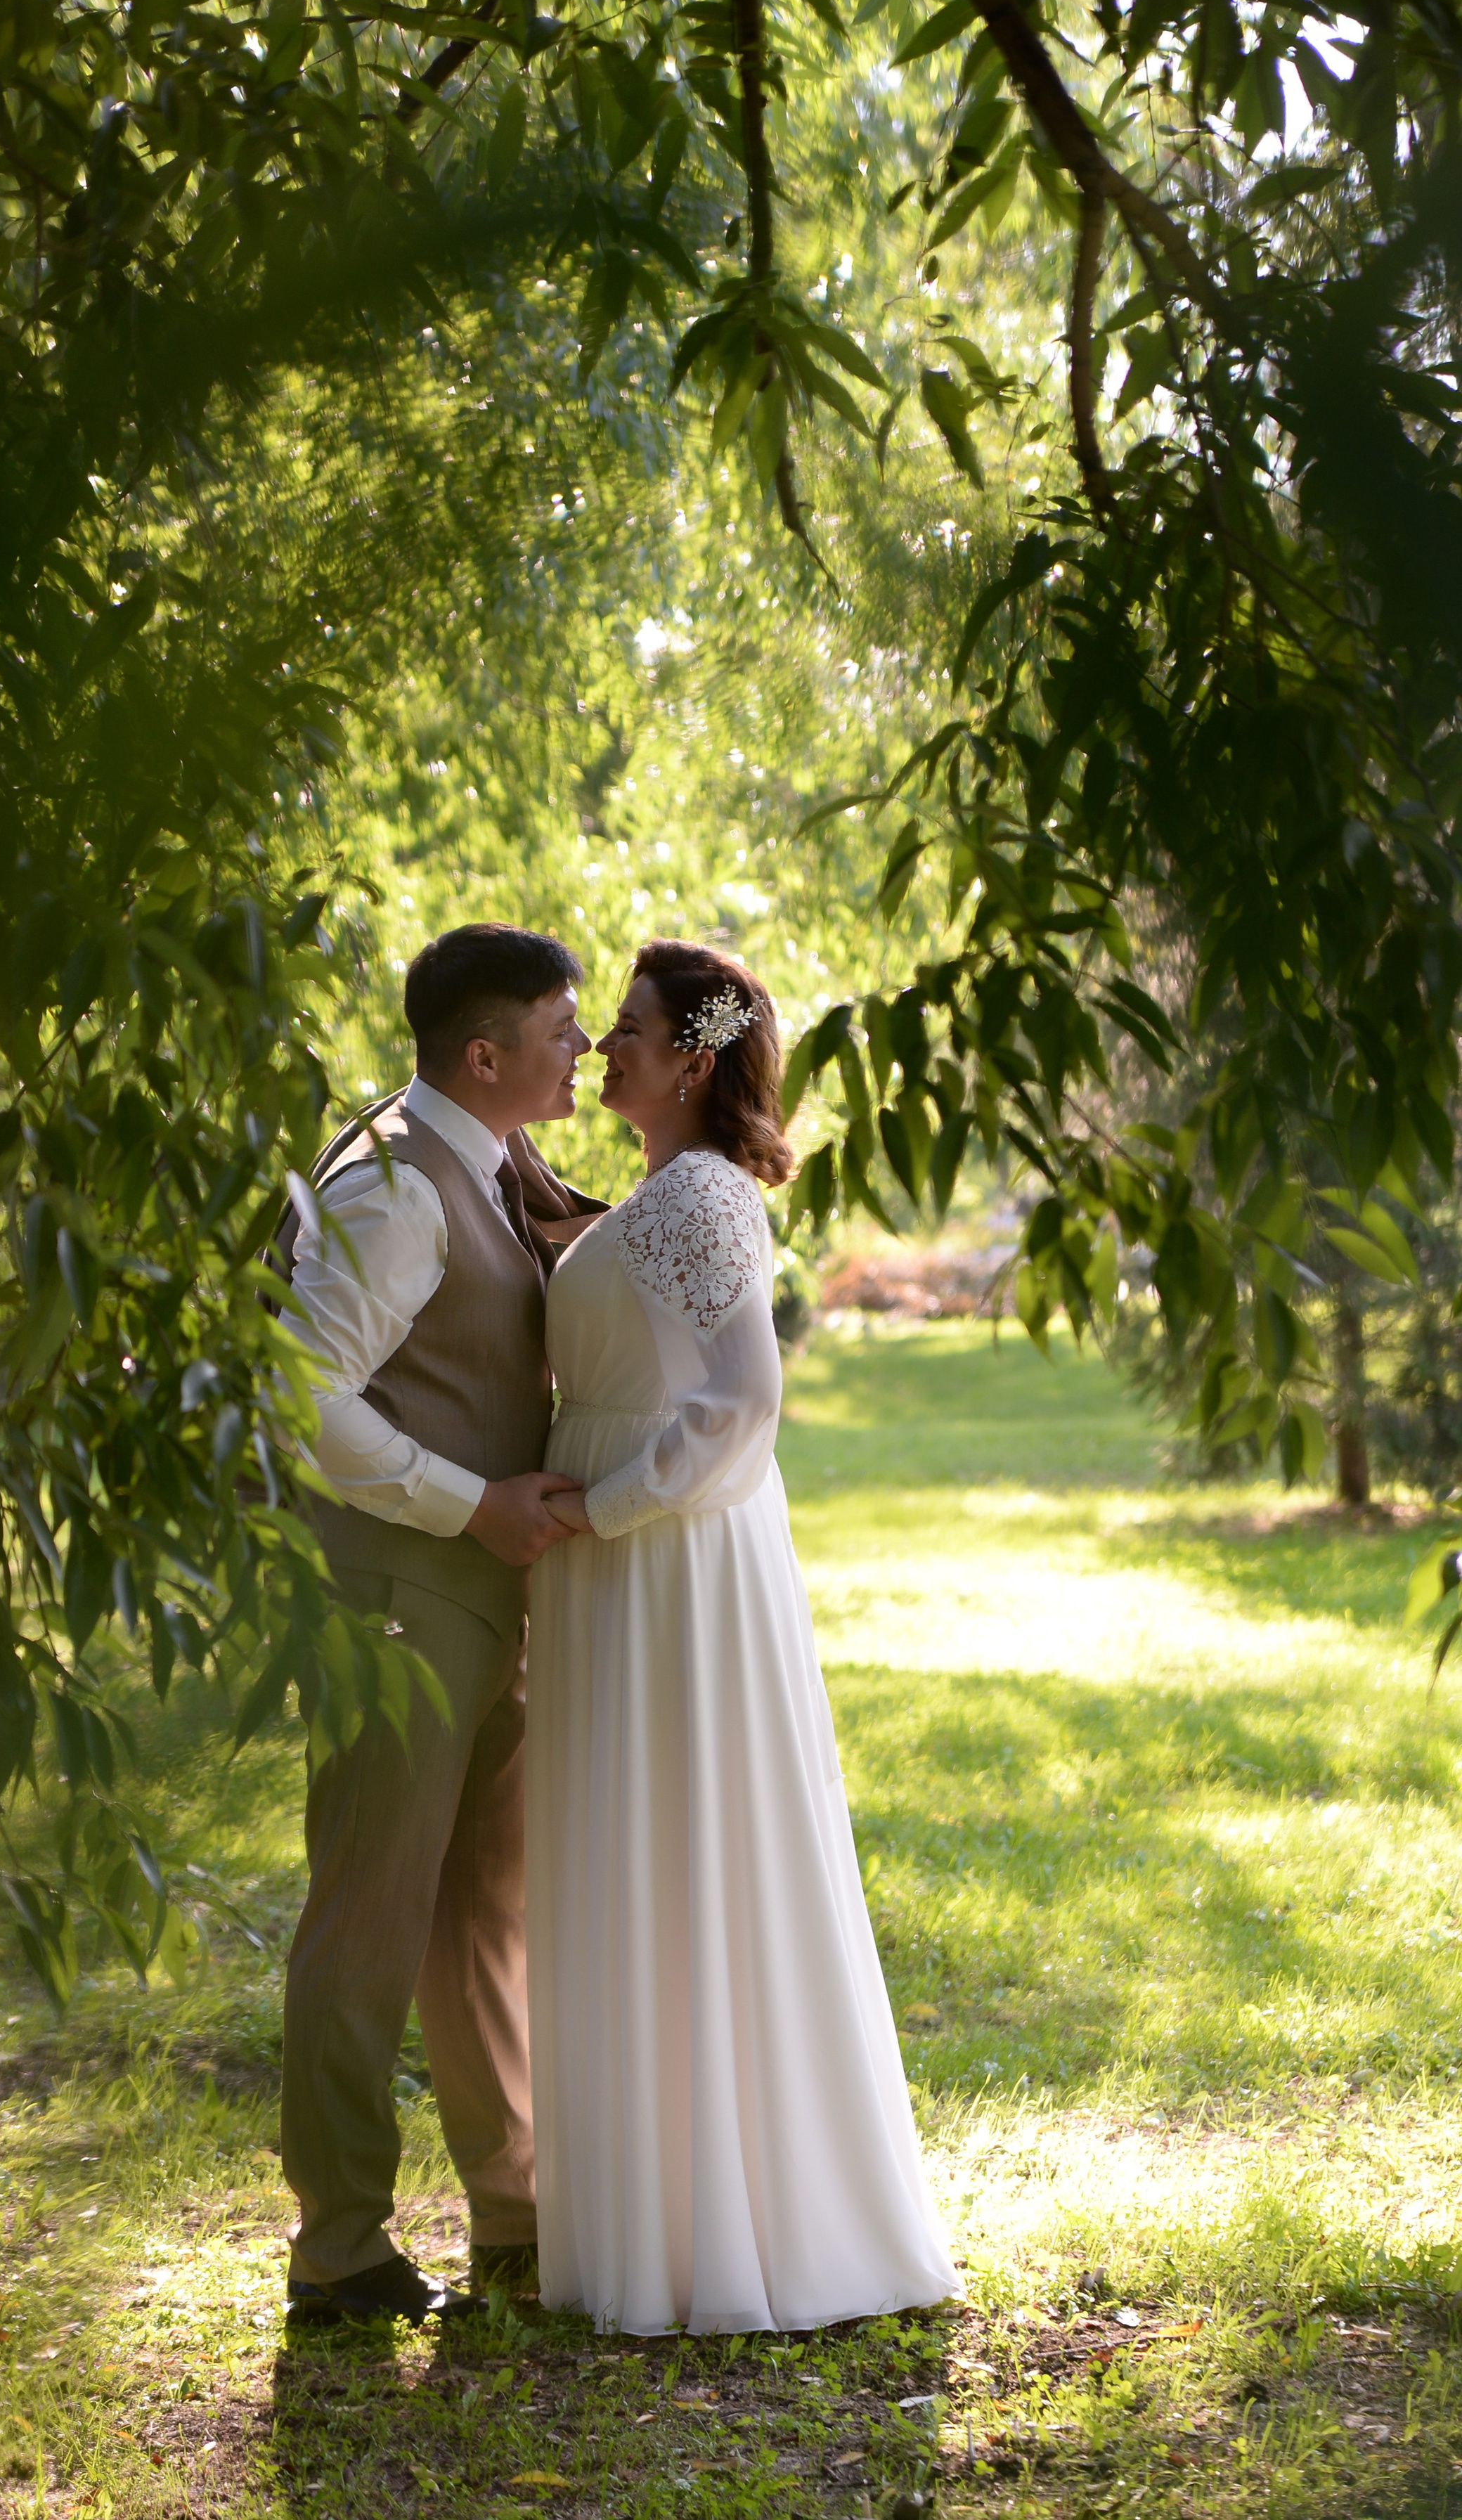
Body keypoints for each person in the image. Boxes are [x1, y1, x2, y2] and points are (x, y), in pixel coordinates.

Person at [527, 938, 962, 2334]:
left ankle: (728, 2223)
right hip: (615, 1560)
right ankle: (650, 2212)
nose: (601, 1044)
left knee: (689, 1849)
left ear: (692, 1058)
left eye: (629, 1029)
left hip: (665, 1562)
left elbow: (736, 1408)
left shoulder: (702, 1199)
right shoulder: (654, 1195)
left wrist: (602, 1507)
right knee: (630, 1853)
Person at [272, 924, 604, 2326]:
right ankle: (338, 2246)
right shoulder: (395, 1187)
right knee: (367, 1919)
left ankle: (514, 2212)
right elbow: (296, 1396)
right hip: (397, 1606)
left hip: (480, 1602)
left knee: (478, 1915)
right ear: (486, 1054)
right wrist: (470, 1505)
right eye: (559, 1028)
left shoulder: (473, 1160)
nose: (581, 1048)